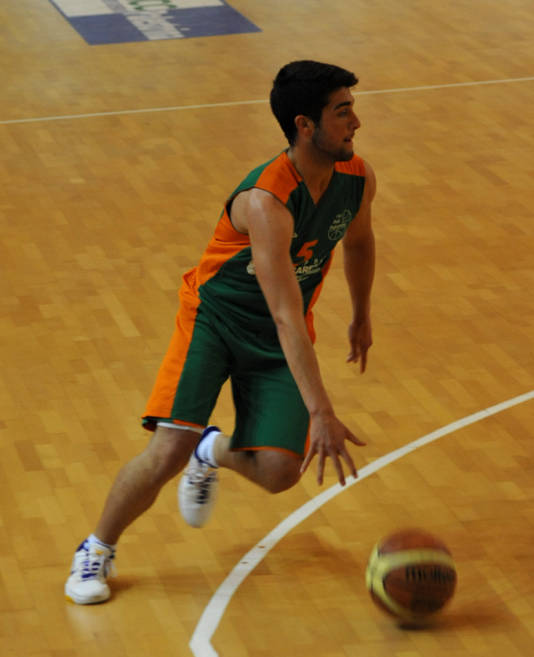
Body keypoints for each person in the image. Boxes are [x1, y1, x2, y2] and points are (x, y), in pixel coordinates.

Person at [65, 60, 377, 605]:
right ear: (305, 125)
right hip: (214, 320)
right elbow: (284, 313)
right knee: (167, 450)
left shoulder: (357, 178)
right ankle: (96, 547)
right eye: (342, 111)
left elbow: (359, 241)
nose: (356, 122)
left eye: (352, 109)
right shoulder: (266, 201)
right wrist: (322, 411)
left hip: (277, 331)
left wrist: (362, 312)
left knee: (280, 471)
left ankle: (210, 449)